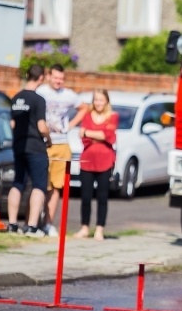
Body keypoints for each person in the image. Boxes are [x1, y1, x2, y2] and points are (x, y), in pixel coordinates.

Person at [37, 64, 88, 237]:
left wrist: (71, 125)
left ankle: (48, 223)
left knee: (55, 187)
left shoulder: (69, 95)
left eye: (61, 78)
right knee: (39, 185)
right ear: (49, 76)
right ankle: (33, 221)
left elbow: (83, 108)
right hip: (42, 143)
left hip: (61, 143)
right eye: (56, 77)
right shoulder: (41, 92)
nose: (58, 81)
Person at [7, 64, 51, 237]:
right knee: (39, 185)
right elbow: (41, 126)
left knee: (18, 183)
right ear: (41, 78)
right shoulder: (38, 100)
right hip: (35, 147)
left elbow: (12, 124)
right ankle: (32, 227)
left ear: (27, 75)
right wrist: (48, 138)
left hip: (19, 145)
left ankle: (12, 224)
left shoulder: (16, 98)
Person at [73, 90, 118, 241]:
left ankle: (100, 228)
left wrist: (89, 133)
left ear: (106, 101)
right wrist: (96, 134)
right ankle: (84, 227)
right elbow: (82, 137)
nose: (98, 103)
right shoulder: (87, 116)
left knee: (102, 197)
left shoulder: (112, 117)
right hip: (87, 161)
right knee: (85, 196)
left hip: (105, 162)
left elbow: (109, 137)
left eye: (101, 100)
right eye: (96, 100)